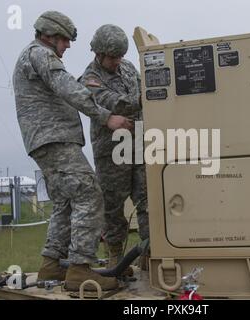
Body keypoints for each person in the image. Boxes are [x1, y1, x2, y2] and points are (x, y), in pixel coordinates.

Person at [12, 11, 133, 291]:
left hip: (45, 140)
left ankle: (51, 264)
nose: (67, 46)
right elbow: (67, 88)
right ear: (49, 35)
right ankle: (80, 269)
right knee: (89, 193)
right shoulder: (41, 54)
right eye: (65, 40)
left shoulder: (33, 55)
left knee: (66, 203)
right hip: (54, 138)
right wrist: (106, 117)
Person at [79, 24, 149, 273]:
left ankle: (149, 253)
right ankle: (116, 259)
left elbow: (143, 87)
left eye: (121, 56)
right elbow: (112, 103)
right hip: (112, 152)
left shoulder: (128, 67)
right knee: (113, 206)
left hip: (139, 145)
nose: (119, 61)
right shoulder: (89, 79)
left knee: (147, 200)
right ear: (99, 54)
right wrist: (145, 97)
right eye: (113, 57)